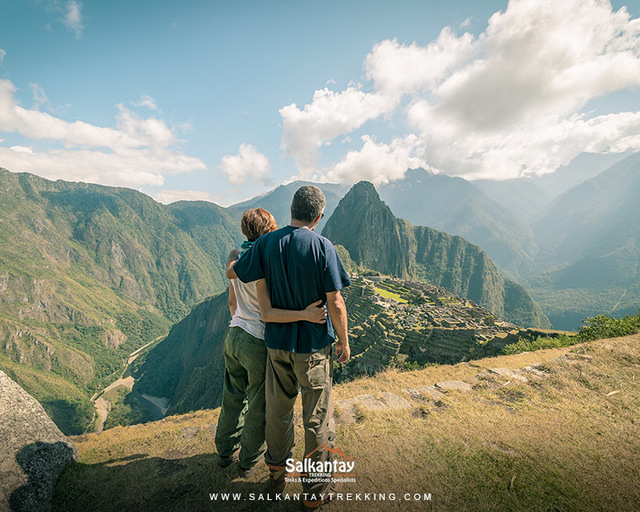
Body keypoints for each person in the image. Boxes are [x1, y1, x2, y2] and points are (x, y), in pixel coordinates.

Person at [228, 186, 351, 510]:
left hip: (276, 346)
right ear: (318, 216)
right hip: (311, 349)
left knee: (279, 414)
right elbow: (335, 302)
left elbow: (236, 272)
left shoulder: (267, 242)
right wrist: (344, 340)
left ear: (292, 209)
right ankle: (313, 493)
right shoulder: (322, 246)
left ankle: (276, 478)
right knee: (317, 419)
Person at [215, 207, 327, 474]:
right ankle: (248, 460)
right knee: (258, 404)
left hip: (234, 334)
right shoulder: (266, 260)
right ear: (269, 229)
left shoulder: (239, 259)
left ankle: (224, 451)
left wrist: (239, 324)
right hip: (256, 339)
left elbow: (232, 301)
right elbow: (268, 310)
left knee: (232, 397)